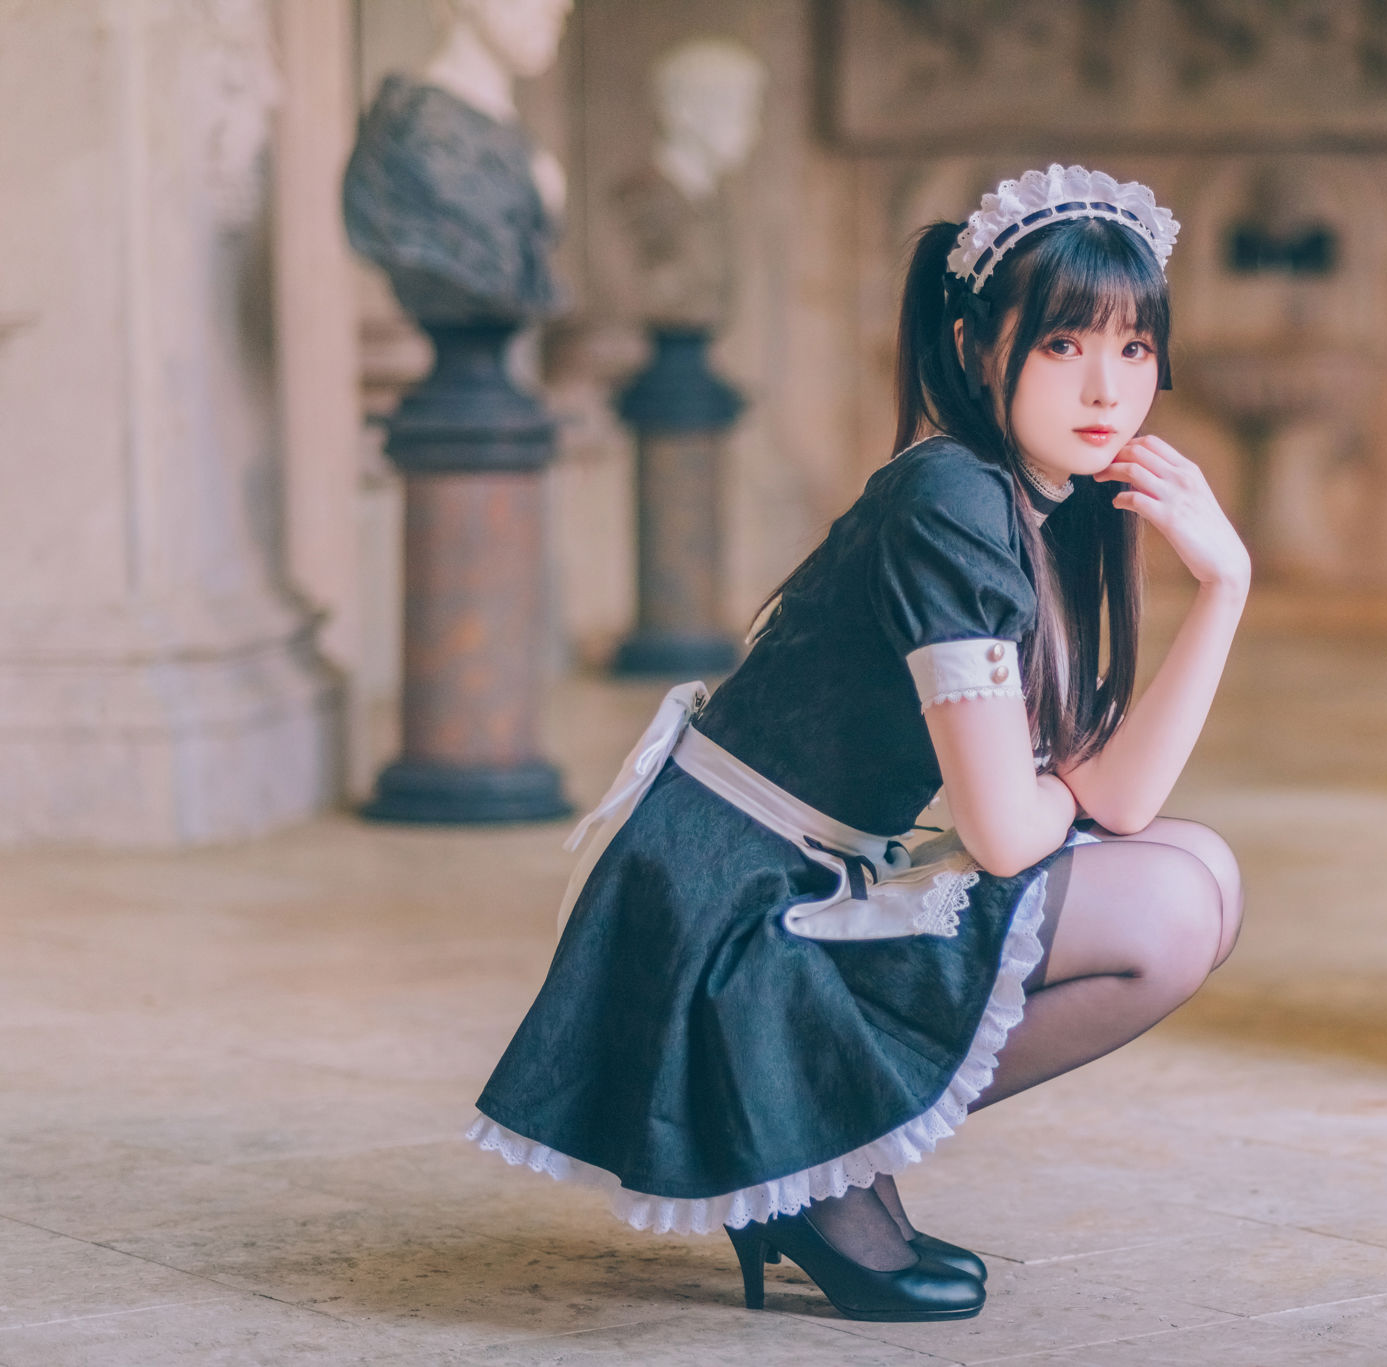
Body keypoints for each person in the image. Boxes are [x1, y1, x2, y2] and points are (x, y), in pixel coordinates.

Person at [468, 164, 1249, 1323]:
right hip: (732, 909)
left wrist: (1225, 585)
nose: (1105, 386)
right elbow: (1005, 831)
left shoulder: (1039, 502)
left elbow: (1116, 798)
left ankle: (826, 1151)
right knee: (1169, 910)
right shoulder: (951, 501)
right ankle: (814, 1153)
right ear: (977, 345)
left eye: (1133, 347)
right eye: (1061, 344)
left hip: (794, 872)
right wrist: (1049, 796)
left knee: (1205, 870)